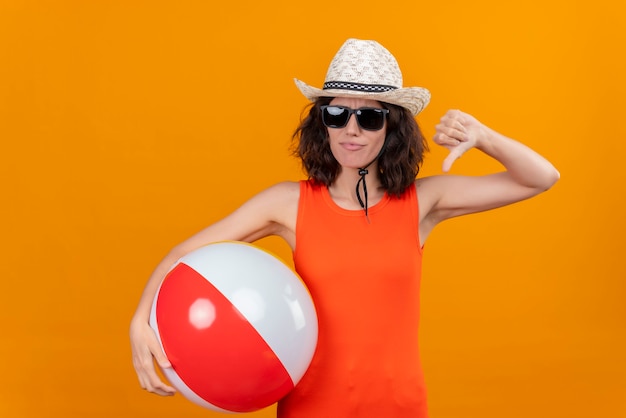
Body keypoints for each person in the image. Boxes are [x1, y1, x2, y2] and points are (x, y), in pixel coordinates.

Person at [130, 38, 559, 417]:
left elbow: (541, 177)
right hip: (312, 409)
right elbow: (182, 256)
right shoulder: (287, 202)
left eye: (370, 118)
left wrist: (484, 137)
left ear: (392, 127)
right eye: (337, 113)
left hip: (400, 408)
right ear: (323, 122)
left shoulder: (423, 202)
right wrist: (139, 322)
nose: (351, 130)